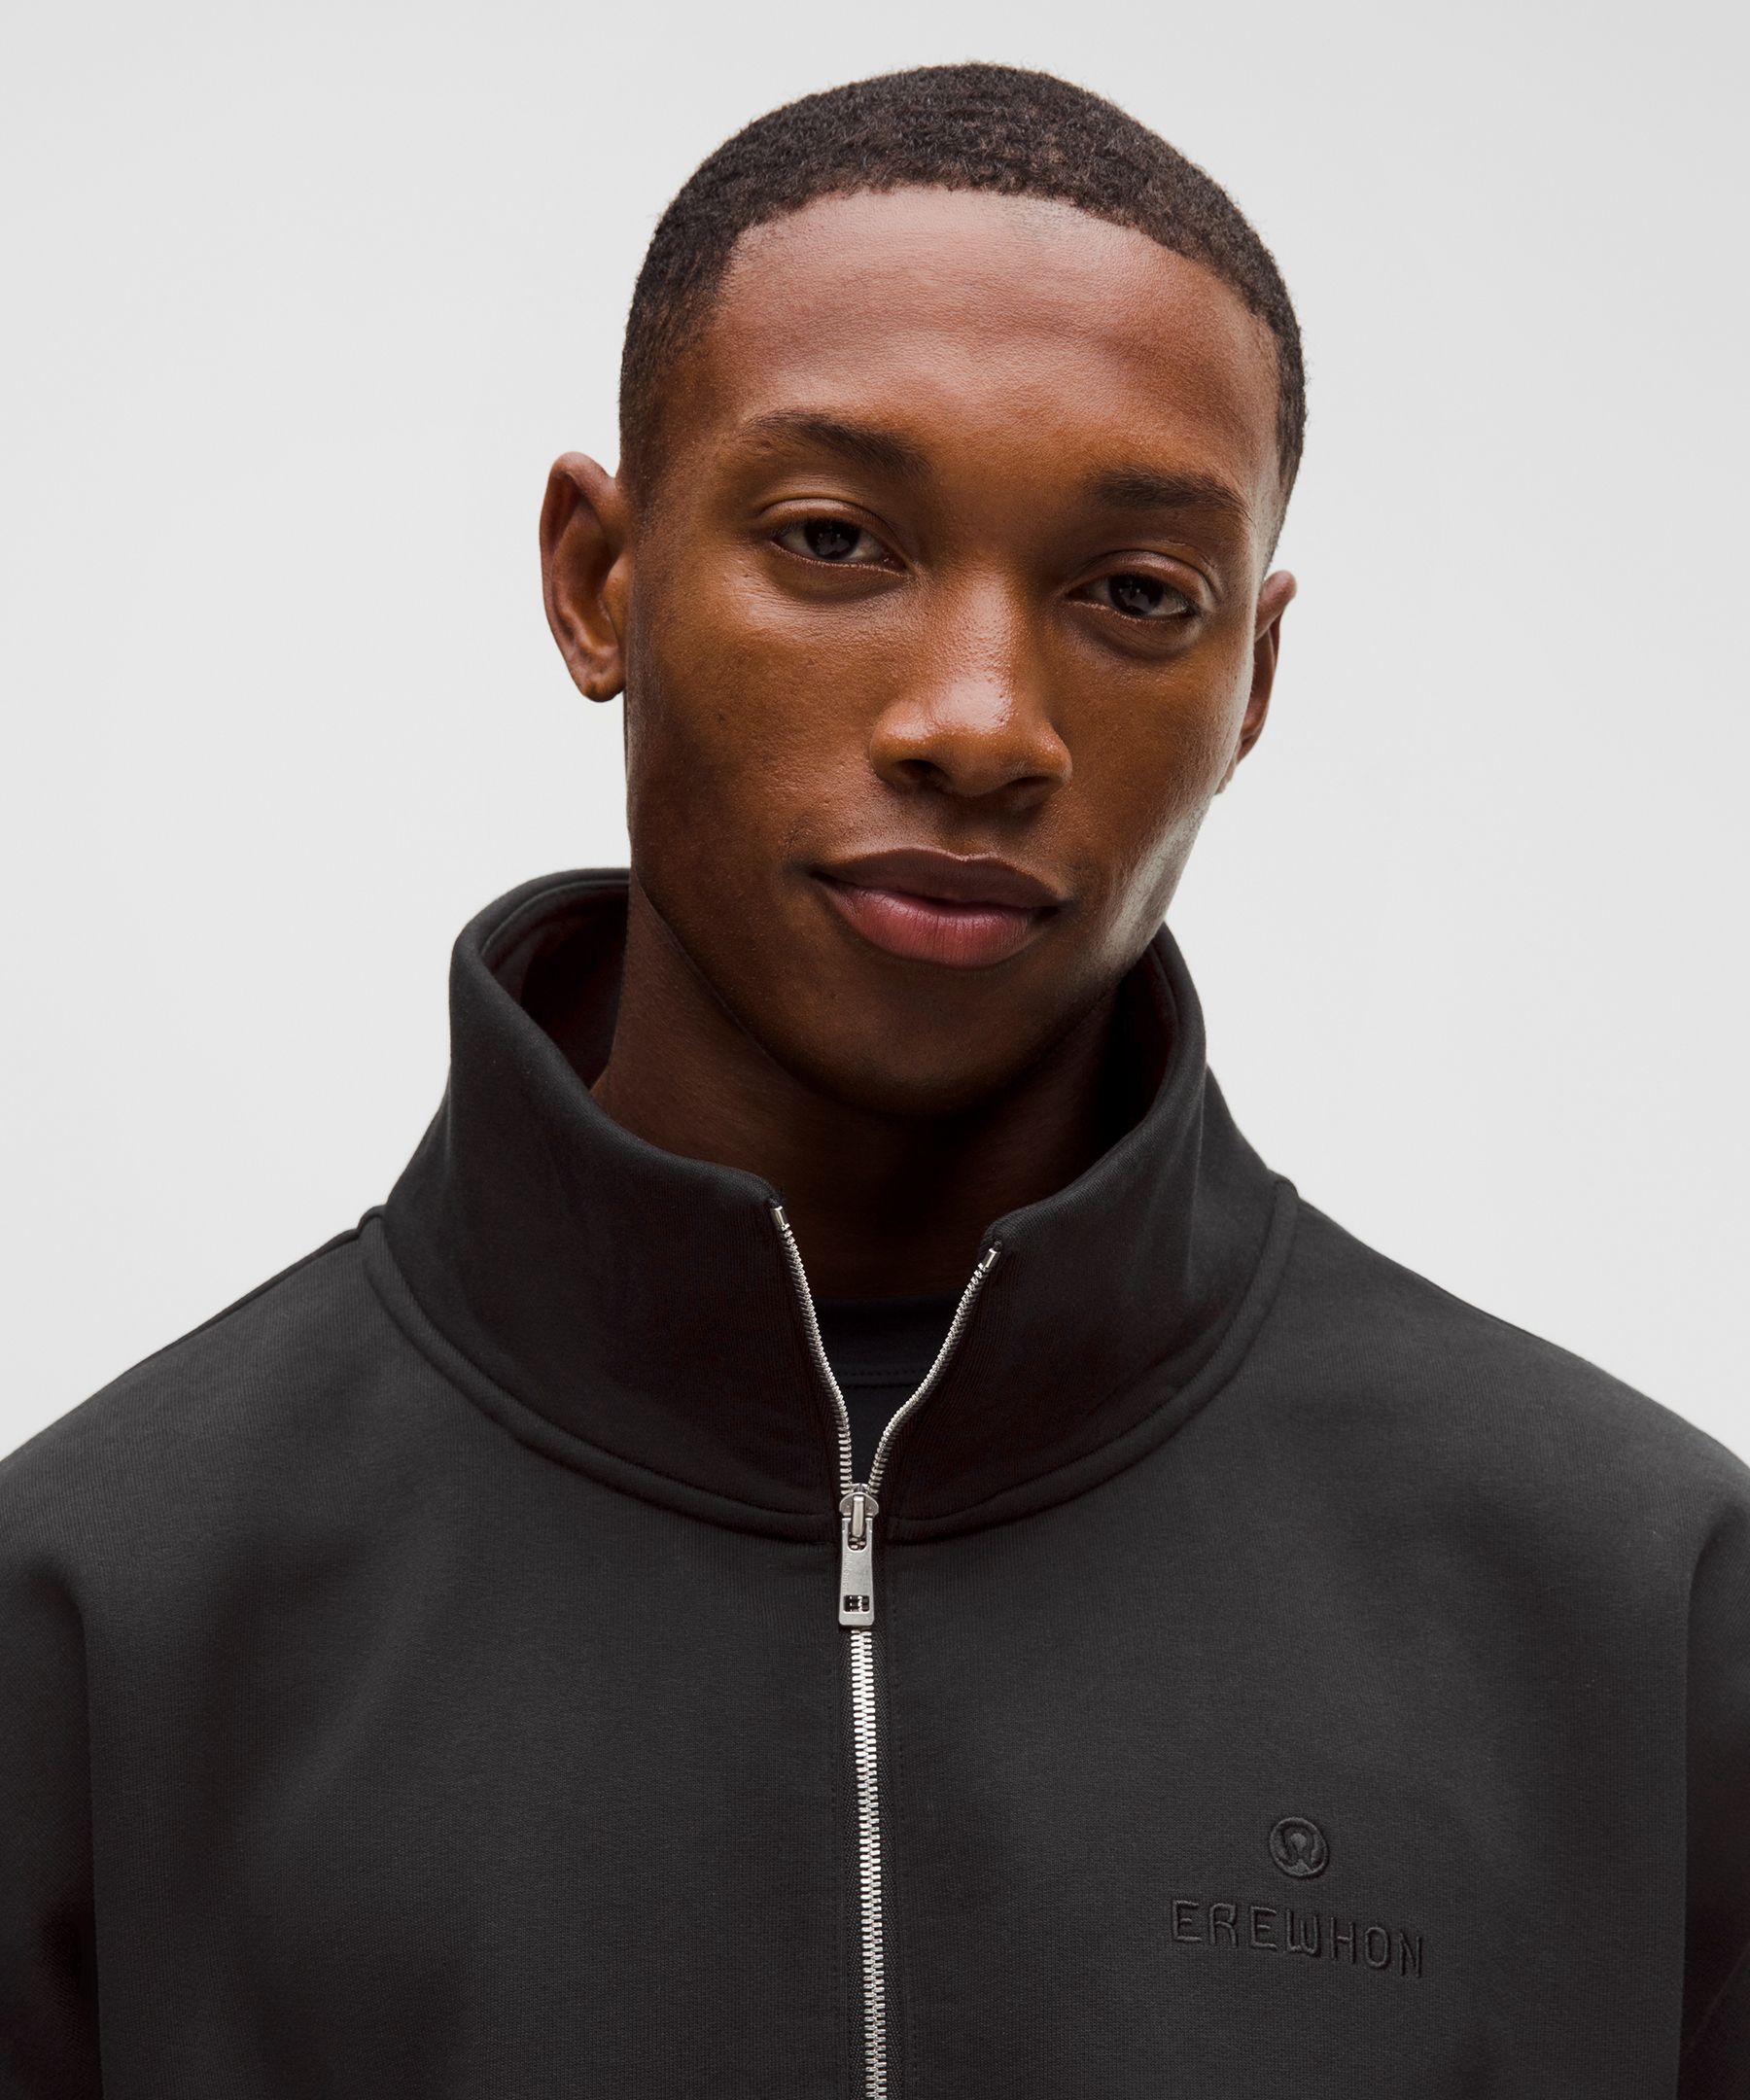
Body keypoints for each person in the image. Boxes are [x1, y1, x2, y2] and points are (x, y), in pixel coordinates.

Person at [3, 60, 1744, 2100]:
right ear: (600, 580)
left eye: (1136, 594)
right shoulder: (91, 1628)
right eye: (834, 540)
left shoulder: (1650, 1620)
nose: (980, 722)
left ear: (1253, 683)